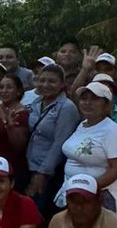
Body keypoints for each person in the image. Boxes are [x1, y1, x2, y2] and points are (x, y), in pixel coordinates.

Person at [59, 82, 117, 219]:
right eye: (84, 98)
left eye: (95, 99)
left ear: (107, 104)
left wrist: (88, 188)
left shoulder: (113, 131)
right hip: (74, 193)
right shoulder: (82, 125)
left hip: (101, 195)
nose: (88, 103)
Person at [25, 64, 80, 217]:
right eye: (42, 80)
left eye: (51, 81)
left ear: (62, 84)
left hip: (49, 173)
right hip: (29, 166)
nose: (45, 85)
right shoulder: (36, 103)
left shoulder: (67, 108)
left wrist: (42, 174)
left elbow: (59, 143)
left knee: (40, 214)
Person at [0, 72, 30, 187]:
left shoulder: (21, 113)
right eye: (1, 87)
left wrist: (10, 128)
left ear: (18, 91)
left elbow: (19, 147)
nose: (4, 91)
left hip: (11, 169)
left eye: (9, 87)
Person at [72, 48, 117, 113]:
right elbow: (74, 94)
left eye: (108, 69)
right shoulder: (86, 91)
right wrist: (85, 69)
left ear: (116, 72)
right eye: (98, 69)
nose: (102, 72)